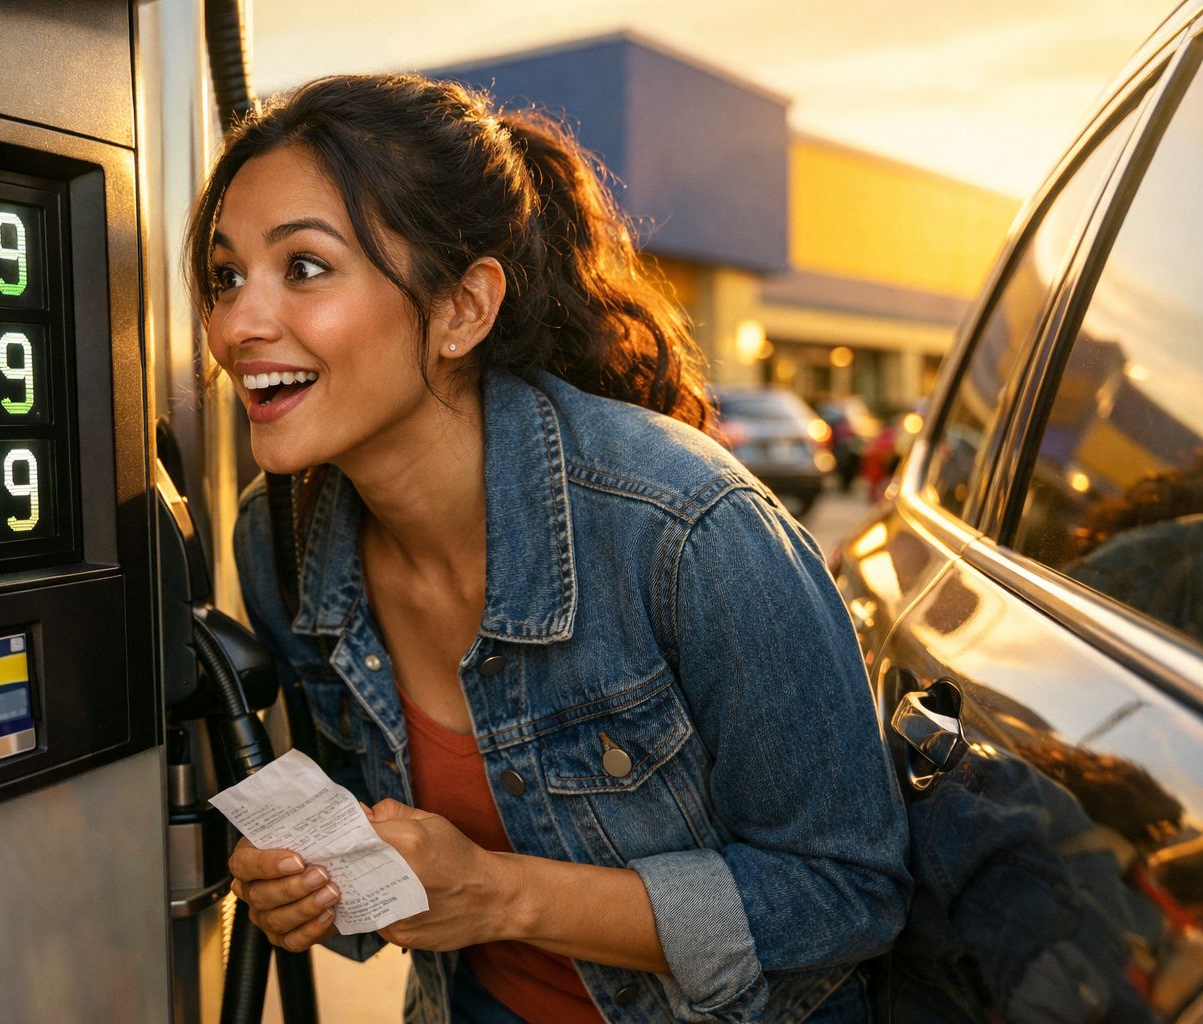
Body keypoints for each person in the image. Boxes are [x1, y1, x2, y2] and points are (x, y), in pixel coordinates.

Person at [189, 73, 909, 1024]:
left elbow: (849, 893)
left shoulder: (685, 528)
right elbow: (377, 864)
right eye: (227, 276)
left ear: (462, 310)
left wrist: (501, 892)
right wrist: (311, 884)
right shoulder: (280, 536)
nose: (238, 325)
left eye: (306, 268)